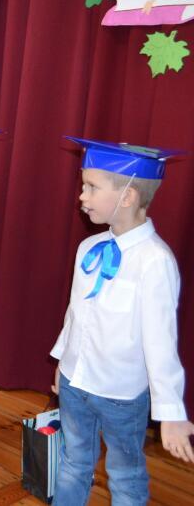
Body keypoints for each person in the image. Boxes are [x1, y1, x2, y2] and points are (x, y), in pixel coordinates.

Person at [51, 138, 194, 504]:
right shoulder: (89, 248)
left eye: (91, 187)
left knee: (125, 475)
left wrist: (171, 412)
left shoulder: (155, 261)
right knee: (72, 463)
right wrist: (63, 361)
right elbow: (75, 312)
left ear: (127, 196)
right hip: (76, 382)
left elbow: (160, 341)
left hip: (120, 395)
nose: (81, 196)